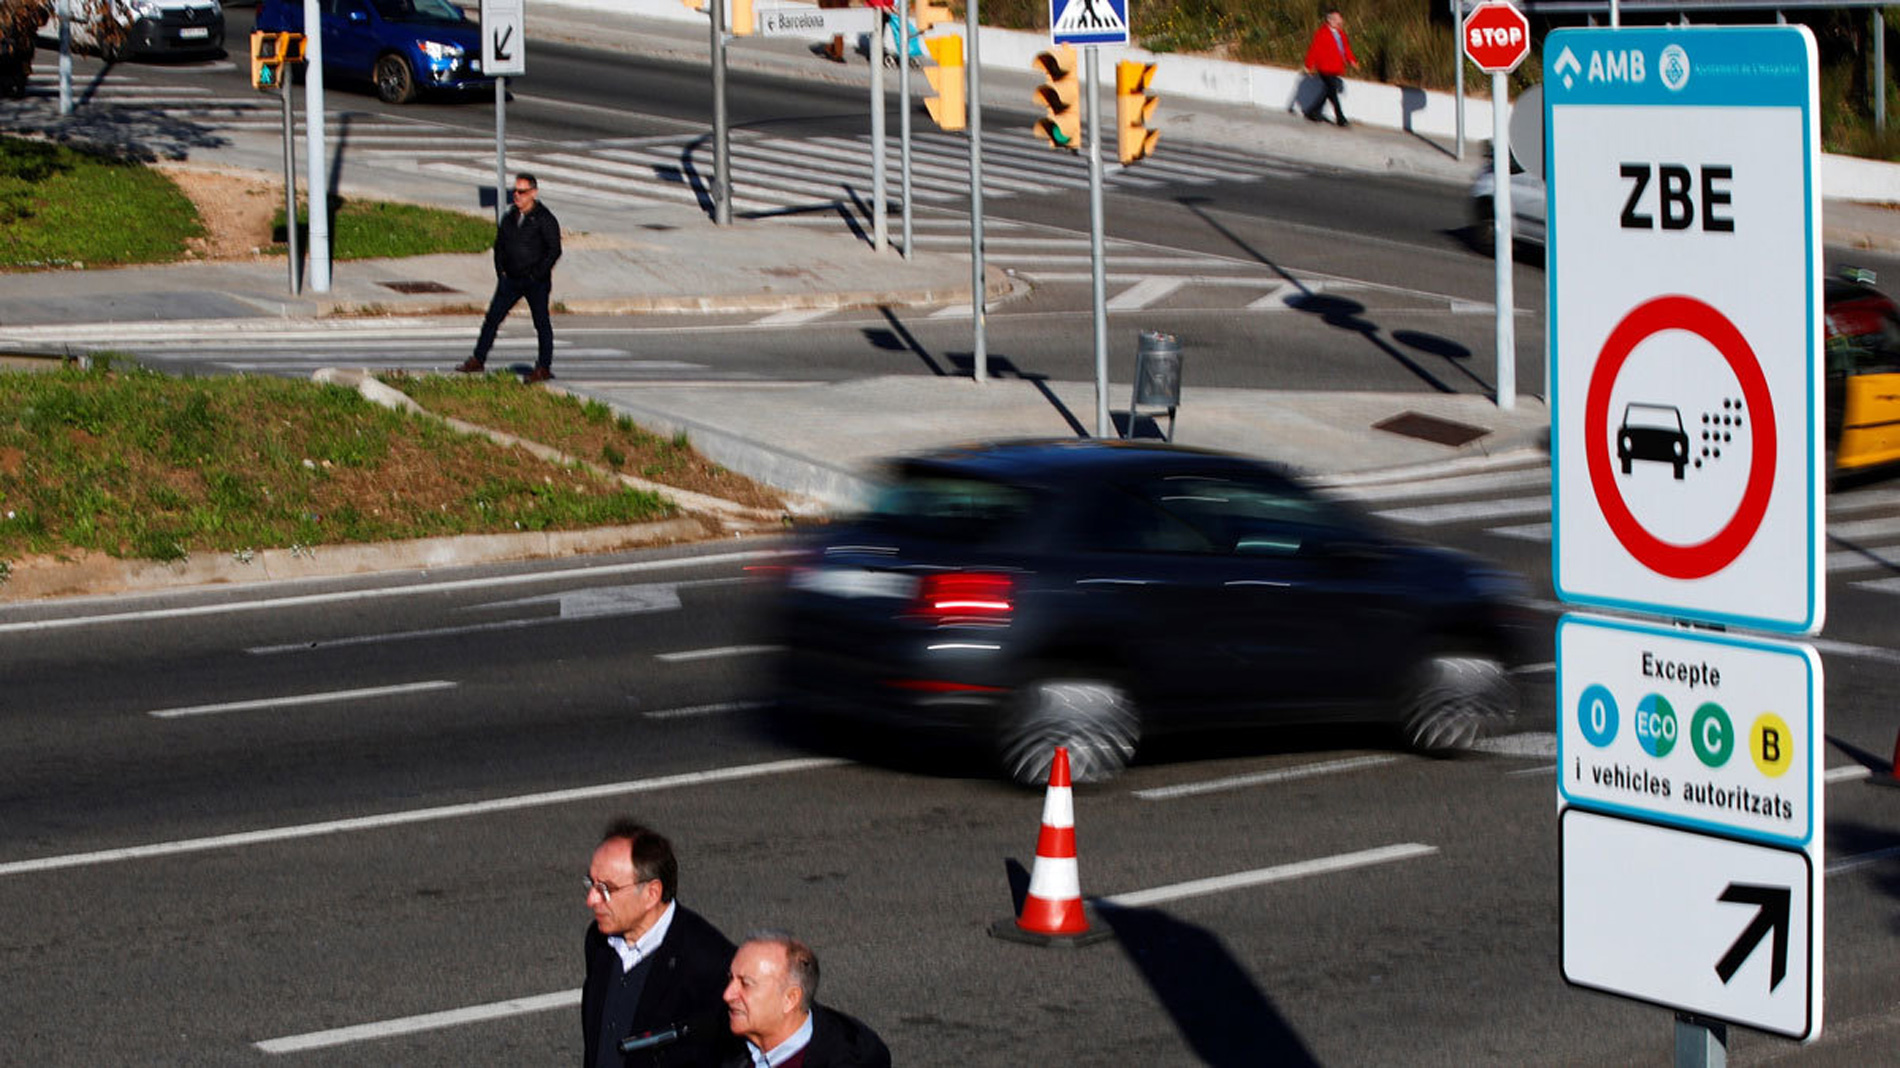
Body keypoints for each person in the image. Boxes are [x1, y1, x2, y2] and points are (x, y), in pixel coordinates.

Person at [581, 820, 739, 1068]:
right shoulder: (599, 941)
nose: (591, 899)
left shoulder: (709, 961)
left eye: (606, 889)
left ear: (651, 894)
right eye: (591, 884)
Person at [722, 932, 890, 1068]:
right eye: (730, 979)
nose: (728, 995)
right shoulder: (716, 1039)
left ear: (790, 999)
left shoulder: (850, 1058)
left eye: (746, 984)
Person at [459, 172, 561, 383]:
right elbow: (499, 246)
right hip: (511, 280)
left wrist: (538, 273)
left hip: (536, 282)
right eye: (515, 191)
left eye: (522, 192)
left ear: (533, 193)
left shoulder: (544, 218)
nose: (517, 195)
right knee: (492, 319)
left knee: (541, 323)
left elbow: (554, 250)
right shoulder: (510, 217)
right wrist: (501, 270)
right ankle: (478, 359)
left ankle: (543, 367)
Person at [1301, 8, 1358, 128]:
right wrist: (1308, 65)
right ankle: (1340, 118)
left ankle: (1313, 112)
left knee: (1328, 92)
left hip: (1335, 68)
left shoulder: (1341, 34)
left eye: (1340, 19)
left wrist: (1352, 60)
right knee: (1333, 92)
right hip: (1325, 68)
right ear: (1329, 20)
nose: (1340, 21)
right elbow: (1314, 50)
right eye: (1337, 19)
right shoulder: (1322, 33)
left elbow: (1345, 49)